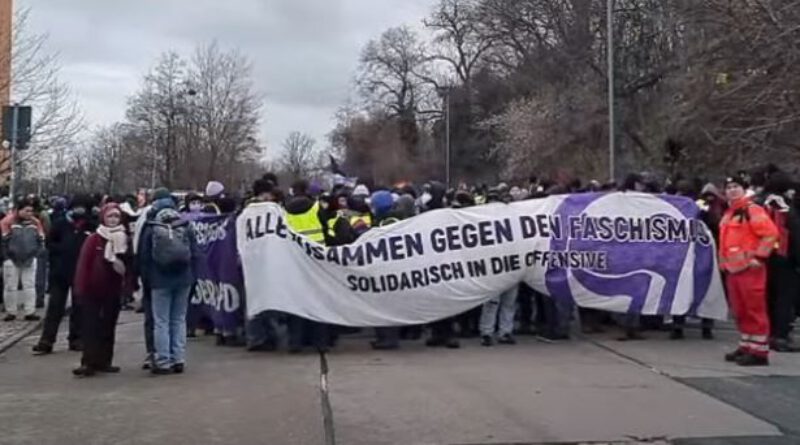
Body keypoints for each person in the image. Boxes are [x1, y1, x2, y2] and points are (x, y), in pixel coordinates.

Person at [720, 175, 779, 366]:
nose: (732, 190)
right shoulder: (730, 213)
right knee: (740, 310)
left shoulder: (752, 210)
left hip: (750, 268)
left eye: (736, 186)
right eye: (729, 187)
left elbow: (770, 234)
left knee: (754, 309)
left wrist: (759, 257)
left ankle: (759, 352)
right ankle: (746, 345)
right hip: (733, 269)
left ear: (744, 189)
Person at [139, 190, 198, 374]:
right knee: (179, 320)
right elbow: (195, 252)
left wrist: (145, 281)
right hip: (184, 278)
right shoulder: (184, 223)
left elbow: (143, 256)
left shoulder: (151, 225)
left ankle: (163, 360)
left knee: (161, 321)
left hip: (159, 280)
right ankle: (178, 358)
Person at [32, 195, 95, 354]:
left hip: (81, 272)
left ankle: (77, 338)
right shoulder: (61, 223)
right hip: (60, 272)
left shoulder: (91, 225)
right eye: (76, 207)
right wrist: (60, 252)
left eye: (82, 207)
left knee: (79, 307)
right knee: (55, 307)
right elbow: (50, 243)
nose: (79, 211)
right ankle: (47, 340)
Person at [71, 204, 129, 377]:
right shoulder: (94, 239)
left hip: (113, 288)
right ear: (103, 217)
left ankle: (104, 360)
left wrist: (128, 285)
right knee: (91, 326)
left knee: (108, 325)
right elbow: (84, 264)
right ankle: (88, 361)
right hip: (92, 289)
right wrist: (80, 288)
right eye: (110, 216)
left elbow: (129, 263)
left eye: (116, 217)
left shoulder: (124, 238)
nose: (113, 220)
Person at [284, 179, 335, 353]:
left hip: (295, 260)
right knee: (319, 301)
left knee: (297, 302)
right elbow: (327, 231)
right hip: (317, 260)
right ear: (306, 191)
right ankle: (321, 342)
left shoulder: (285, 210)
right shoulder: (315, 207)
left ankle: (295, 342)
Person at [762, 173, 800, 352]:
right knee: (785, 299)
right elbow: (795, 232)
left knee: (769, 296)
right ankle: (781, 336)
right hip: (785, 257)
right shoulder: (786, 207)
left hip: (764, 256)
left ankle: (769, 333)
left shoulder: (758, 203)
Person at [244, 178, 281, 352]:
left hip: (255, 260)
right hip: (261, 260)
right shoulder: (268, 210)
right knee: (258, 301)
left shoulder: (244, 211)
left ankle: (262, 336)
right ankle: (259, 337)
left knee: (257, 300)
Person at [2, 197, 45, 322]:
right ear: (19, 210)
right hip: (11, 258)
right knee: (10, 286)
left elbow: (41, 239)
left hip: (30, 259)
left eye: (31, 211)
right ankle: (11, 311)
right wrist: (6, 257)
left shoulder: (35, 223)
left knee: (30, 286)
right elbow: (3, 240)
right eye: (26, 211)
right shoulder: (8, 222)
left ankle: (30, 311)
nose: (29, 214)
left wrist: (36, 254)